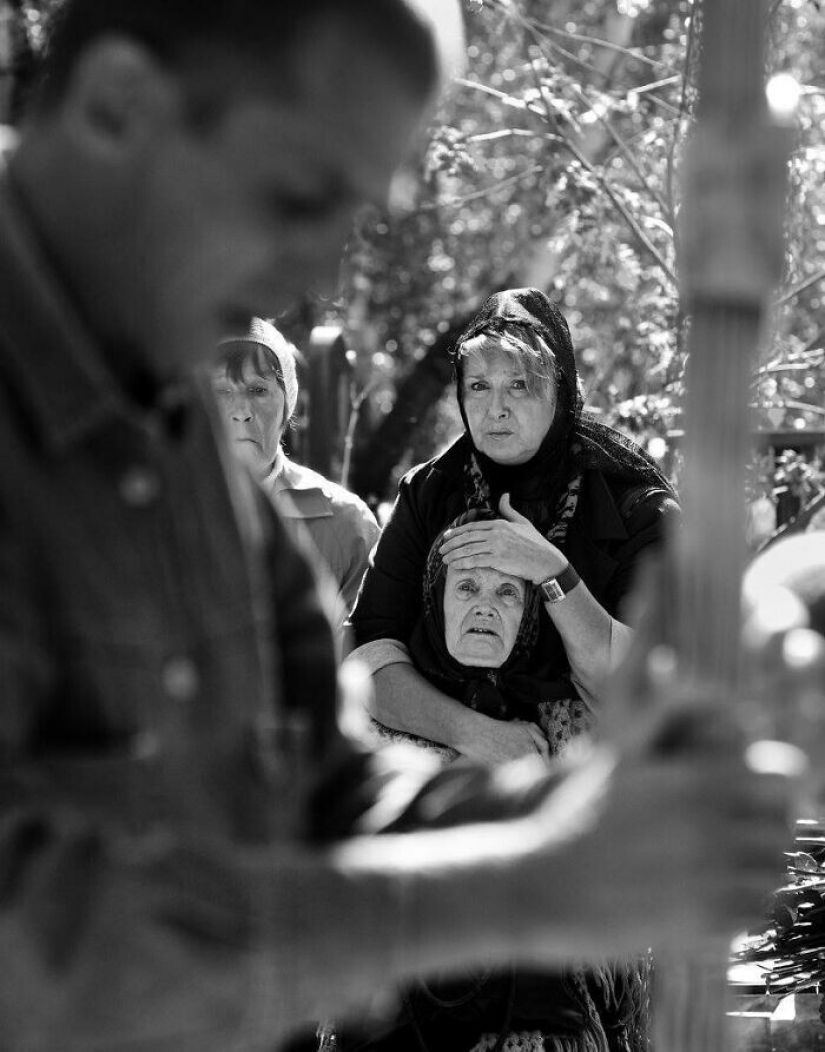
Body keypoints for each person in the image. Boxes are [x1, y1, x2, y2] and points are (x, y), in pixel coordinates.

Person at [0, 2, 794, 1050]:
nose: (317, 283)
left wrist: (595, 815)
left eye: (353, 221)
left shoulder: (170, 416)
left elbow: (322, 789)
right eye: (302, 196)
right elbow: (45, 947)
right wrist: (524, 886)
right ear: (117, 105)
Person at [335, 512, 649, 1052]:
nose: (485, 606)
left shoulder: (579, 729)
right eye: (466, 587)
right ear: (435, 601)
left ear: (530, 617)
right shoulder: (378, 726)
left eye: (507, 593)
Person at [350, 287, 680, 766]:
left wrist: (552, 573)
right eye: (478, 386)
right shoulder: (430, 492)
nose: (495, 408)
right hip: (443, 761)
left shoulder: (635, 509)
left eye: (520, 385)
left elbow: (648, 690)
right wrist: (471, 732)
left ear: (560, 391)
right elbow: (369, 655)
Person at [212, 318, 380, 626]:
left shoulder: (345, 522)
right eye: (222, 391)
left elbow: (370, 641)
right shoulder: (162, 509)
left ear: (288, 403)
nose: (241, 411)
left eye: (258, 390)